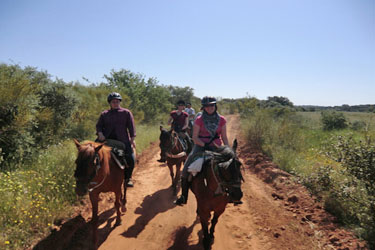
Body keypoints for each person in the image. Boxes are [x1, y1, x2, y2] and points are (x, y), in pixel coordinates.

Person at [174, 96, 229, 205]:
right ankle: (184, 196)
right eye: (207, 106)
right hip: (201, 146)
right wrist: (205, 144)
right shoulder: (199, 120)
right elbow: (194, 137)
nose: (210, 108)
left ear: (215, 106)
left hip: (217, 147)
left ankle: (233, 193)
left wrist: (228, 150)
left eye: (212, 105)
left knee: (231, 166)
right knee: (185, 169)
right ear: (203, 108)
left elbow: (224, 137)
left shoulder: (222, 120)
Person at [96, 92, 136, 187]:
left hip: (122, 140)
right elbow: (99, 126)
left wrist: (132, 138)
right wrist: (100, 133)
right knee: (91, 153)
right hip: (106, 139)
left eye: (117, 101)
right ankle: (90, 178)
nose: (115, 103)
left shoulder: (126, 113)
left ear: (119, 102)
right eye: (113, 101)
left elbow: (131, 126)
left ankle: (128, 178)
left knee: (130, 158)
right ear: (110, 103)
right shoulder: (104, 114)